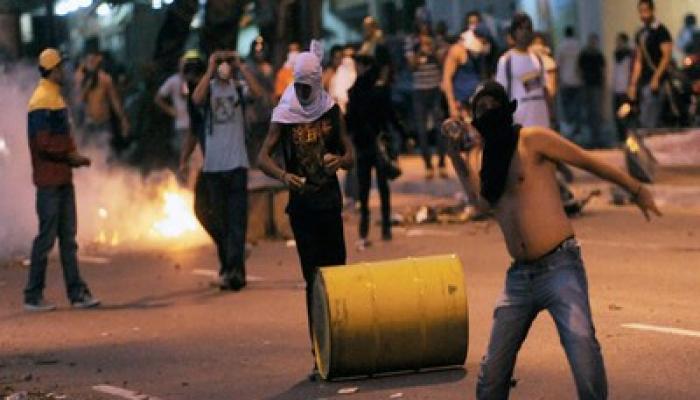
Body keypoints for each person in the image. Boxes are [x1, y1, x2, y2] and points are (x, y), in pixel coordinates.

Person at [443, 81, 661, 400]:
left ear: (507, 108)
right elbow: (479, 203)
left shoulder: (532, 140)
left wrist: (636, 188)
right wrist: (455, 155)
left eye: (493, 105)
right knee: (491, 379)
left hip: (559, 267)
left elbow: (586, 161)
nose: (488, 112)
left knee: (582, 349)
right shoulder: (486, 159)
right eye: (481, 109)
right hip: (518, 278)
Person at [257, 40, 354, 377]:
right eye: (298, 86)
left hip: (329, 204)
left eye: (307, 87)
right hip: (302, 209)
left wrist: (338, 162)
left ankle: (343, 349)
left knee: (338, 278)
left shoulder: (330, 111)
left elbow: (351, 157)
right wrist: (285, 176)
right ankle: (320, 355)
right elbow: (262, 158)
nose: (303, 92)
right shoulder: (284, 114)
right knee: (313, 282)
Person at [24, 48, 101, 311]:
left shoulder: (54, 97)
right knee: (47, 239)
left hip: (61, 178)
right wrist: (72, 157)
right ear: (52, 69)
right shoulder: (42, 100)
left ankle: (77, 294)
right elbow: (44, 144)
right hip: (50, 180)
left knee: (67, 239)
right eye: (60, 67)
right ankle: (33, 296)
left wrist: (72, 157)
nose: (64, 71)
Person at [187, 49, 263, 291]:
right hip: (214, 166)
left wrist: (240, 66)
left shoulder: (239, 88)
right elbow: (195, 100)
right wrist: (210, 67)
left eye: (226, 63)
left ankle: (236, 273)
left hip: (237, 163)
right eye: (222, 63)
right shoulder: (208, 90)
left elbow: (260, 94)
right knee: (220, 220)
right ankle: (228, 266)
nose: (224, 67)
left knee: (237, 221)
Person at [346, 55, 394, 248]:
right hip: (378, 143)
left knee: (364, 188)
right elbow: (390, 115)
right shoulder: (379, 89)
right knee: (383, 186)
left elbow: (350, 119)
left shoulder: (356, 90)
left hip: (363, 145)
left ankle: (364, 228)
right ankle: (386, 226)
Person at [496, 13, 555, 129]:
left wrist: (552, 115)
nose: (524, 32)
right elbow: (500, 94)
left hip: (540, 114)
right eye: (520, 28)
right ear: (514, 32)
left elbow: (545, 89)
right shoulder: (506, 60)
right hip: (519, 117)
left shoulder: (538, 59)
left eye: (528, 28)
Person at [408, 30, 447, 179]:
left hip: (435, 90)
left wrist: (433, 51)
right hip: (419, 92)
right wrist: (419, 53)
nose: (425, 43)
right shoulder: (413, 46)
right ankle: (428, 165)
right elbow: (411, 67)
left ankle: (442, 163)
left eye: (427, 40)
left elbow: (443, 63)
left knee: (440, 128)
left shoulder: (437, 46)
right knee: (421, 129)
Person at [628, 0, 673, 129]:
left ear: (652, 10)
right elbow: (639, 60)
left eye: (646, 10)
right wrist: (633, 84)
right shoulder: (640, 33)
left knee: (649, 120)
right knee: (643, 119)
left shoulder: (661, 31)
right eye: (641, 11)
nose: (643, 14)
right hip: (644, 81)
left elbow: (666, 56)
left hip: (657, 82)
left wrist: (656, 77)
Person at [74, 47, 129, 150]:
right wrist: (87, 85)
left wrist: (123, 119)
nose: (92, 64)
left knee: (105, 150)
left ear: (99, 60)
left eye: (94, 60)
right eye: (89, 61)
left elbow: (114, 101)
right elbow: (79, 100)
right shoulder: (81, 78)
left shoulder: (105, 79)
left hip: (104, 122)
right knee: (90, 150)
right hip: (89, 123)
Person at [155, 53, 196, 170]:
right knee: (183, 154)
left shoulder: (195, 80)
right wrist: (170, 110)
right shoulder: (173, 81)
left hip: (194, 124)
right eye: (182, 64)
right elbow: (158, 98)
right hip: (181, 125)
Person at [245, 36, 276, 167]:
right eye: (257, 50)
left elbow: (272, 90)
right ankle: (253, 163)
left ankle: (264, 163)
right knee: (253, 138)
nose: (259, 53)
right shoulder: (247, 68)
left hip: (266, 108)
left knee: (266, 138)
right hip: (252, 108)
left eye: (261, 50)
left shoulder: (268, 68)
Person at [578, 33, 607, 148]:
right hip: (587, 85)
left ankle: (596, 137)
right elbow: (579, 68)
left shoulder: (598, 55)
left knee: (595, 111)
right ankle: (591, 137)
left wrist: (603, 85)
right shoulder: (584, 54)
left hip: (596, 85)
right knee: (589, 111)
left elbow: (603, 70)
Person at [556, 26, 583, 138]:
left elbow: (557, 64)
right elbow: (582, 63)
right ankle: (577, 129)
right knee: (577, 106)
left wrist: (558, 79)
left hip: (565, 81)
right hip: (577, 81)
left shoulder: (561, 46)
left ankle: (569, 128)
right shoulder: (579, 46)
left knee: (567, 106)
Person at [612, 33, 633, 143]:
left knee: (625, 116)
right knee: (617, 117)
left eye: (620, 41)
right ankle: (621, 140)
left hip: (626, 91)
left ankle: (628, 140)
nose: (618, 44)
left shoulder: (630, 56)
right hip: (617, 91)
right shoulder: (616, 55)